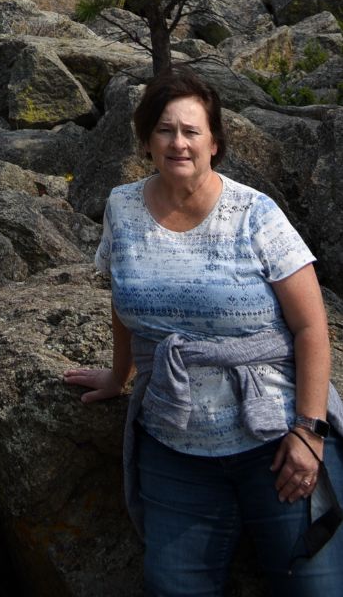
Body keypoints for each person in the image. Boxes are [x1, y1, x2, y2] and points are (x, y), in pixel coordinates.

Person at [65, 67, 343, 594]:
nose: (178, 143)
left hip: (274, 437)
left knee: (314, 585)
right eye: (165, 130)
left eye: (191, 131)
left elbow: (311, 326)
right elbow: (124, 304)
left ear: (214, 142)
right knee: (173, 587)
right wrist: (118, 375)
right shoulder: (122, 207)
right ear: (147, 140)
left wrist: (309, 432)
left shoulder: (254, 214)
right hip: (175, 443)